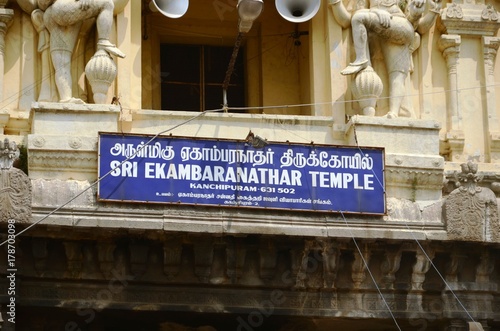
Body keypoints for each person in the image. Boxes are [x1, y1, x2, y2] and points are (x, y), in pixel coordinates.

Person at [330, 0, 440, 118]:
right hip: (382, 34)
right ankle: (393, 113)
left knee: (398, 75)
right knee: (397, 75)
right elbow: (348, 19)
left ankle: (361, 59)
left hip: (401, 27)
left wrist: (419, 13)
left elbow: (418, 26)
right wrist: (376, 12)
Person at [41, 0, 125, 103]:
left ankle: (66, 98)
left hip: (51, 16)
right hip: (62, 9)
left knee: (62, 63)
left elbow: (42, 3)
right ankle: (103, 40)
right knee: (106, 3)